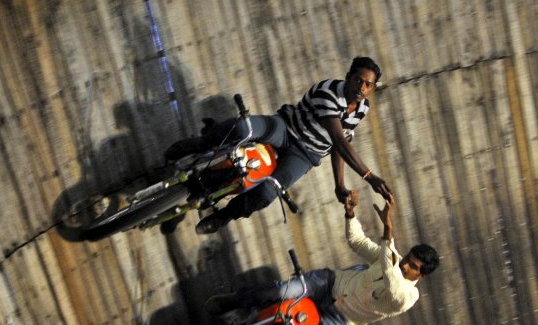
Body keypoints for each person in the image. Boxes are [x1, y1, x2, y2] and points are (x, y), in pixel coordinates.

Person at [207, 190, 439, 325]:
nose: (405, 265)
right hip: (327, 284)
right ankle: (234, 301)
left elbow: (392, 281)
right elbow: (357, 242)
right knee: (279, 291)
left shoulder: (409, 296)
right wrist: (350, 215)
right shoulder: (391, 256)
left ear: (422, 276)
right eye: (408, 258)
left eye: (413, 267)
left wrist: (388, 232)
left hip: (339, 320)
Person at [166, 57, 393, 234]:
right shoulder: (329, 92)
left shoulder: (362, 109)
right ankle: (194, 146)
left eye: (368, 84)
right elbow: (338, 139)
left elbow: (340, 144)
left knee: (266, 193)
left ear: (373, 88)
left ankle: (225, 215)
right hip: (285, 128)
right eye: (358, 80)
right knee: (242, 128)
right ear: (348, 77)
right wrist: (370, 177)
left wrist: (339, 185)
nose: (361, 87)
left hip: (305, 155)